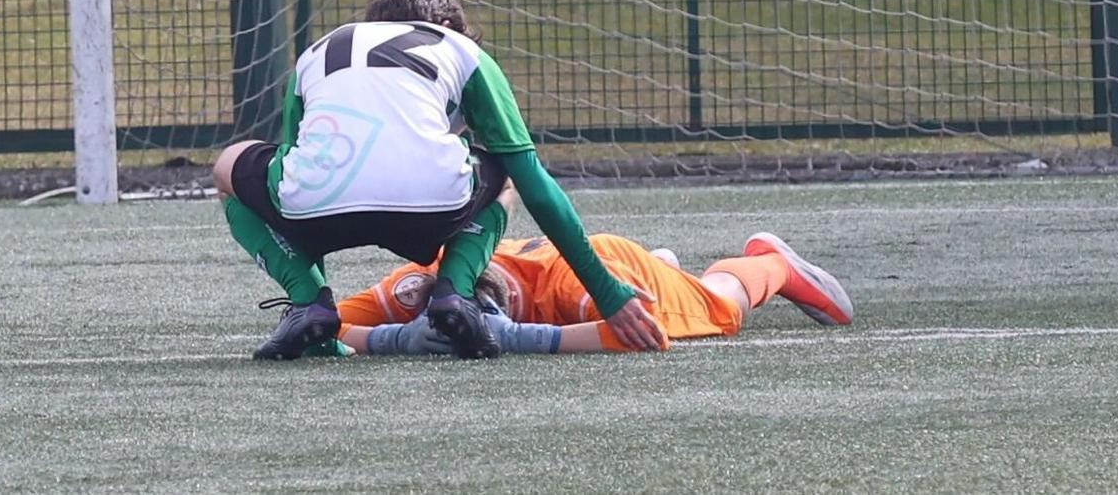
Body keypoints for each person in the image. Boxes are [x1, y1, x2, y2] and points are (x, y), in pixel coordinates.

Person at [212, 0, 662, 360]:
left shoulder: (316, 52)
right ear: (448, 28)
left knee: (229, 167)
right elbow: (538, 187)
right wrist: (608, 294)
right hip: (433, 211)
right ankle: (455, 292)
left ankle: (309, 304)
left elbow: (294, 162)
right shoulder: (462, 51)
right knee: (506, 170)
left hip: (314, 216)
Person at [328, 231, 854, 356]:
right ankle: (664, 266)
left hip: (603, 269)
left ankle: (771, 264)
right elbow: (324, 322)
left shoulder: (569, 293)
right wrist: (396, 336)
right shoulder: (419, 286)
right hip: (582, 261)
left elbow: (637, 335)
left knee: (721, 306)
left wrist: (511, 338)